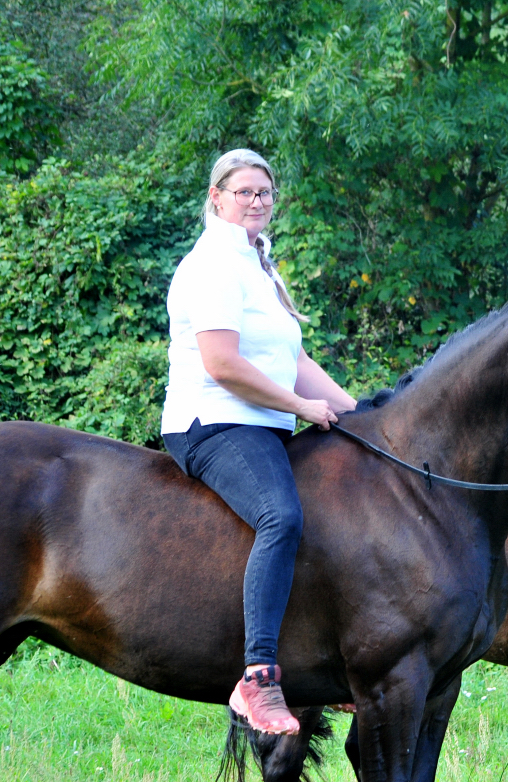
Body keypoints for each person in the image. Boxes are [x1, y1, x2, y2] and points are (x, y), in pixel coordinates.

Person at [160, 149, 357, 734]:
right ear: (216, 198)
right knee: (281, 517)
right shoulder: (214, 264)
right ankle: (258, 680)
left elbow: (292, 359)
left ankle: (318, 661)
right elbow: (222, 364)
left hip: (262, 422)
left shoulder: (255, 261)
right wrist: (301, 409)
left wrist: (361, 418)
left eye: (265, 193)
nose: (256, 202)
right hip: (214, 422)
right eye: (244, 192)